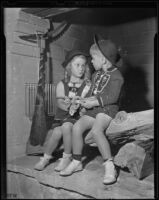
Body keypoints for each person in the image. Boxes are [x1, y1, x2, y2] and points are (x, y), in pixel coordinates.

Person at [60, 35, 124, 185]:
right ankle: (77, 161)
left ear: (103, 60)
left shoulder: (117, 76)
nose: (91, 61)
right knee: (76, 127)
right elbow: (91, 93)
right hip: (94, 109)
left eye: (93, 58)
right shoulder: (96, 75)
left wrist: (93, 102)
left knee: (96, 131)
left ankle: (109, 165)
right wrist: (82, 102)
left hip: (108, 109)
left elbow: (112, 97)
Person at [34, 49, 91, 171]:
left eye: (83, 65)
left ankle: (67, 157)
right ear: (70, 67)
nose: (81, 68)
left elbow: (87, 103)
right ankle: (45, 158)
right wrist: (67, 106)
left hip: (76, 119)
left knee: (66, 127)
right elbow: (59, 103)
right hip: (62, 117)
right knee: (56, 132)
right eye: (77, 65)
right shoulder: (62, 84)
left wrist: (81, 106)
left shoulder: (87, 85)